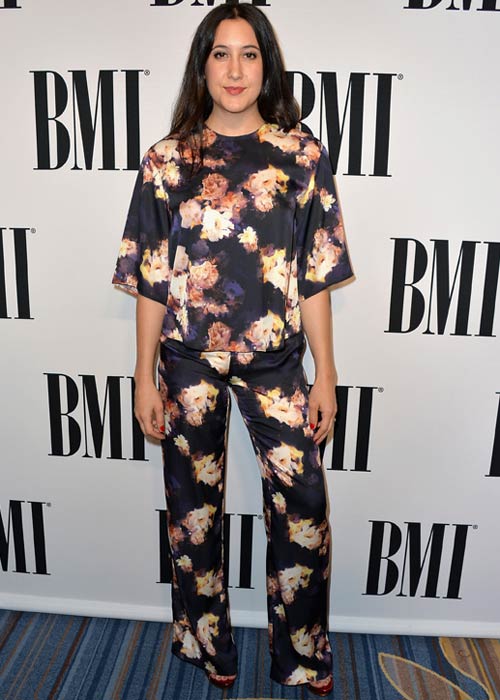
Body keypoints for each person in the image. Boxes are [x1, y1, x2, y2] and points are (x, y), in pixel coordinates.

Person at [112, 2, 353, 695]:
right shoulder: (166, 160)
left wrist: (326, 371)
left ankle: (302, 652)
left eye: (249, 54)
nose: (235, 69)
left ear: (267, 65)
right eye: (221, 53)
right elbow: (153, 279)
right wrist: (142, 376)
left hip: (277, 362)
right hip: (186, 361)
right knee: (193, 511)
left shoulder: (301, 155)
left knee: (304, 504)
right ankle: (204, 642)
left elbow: (315, 275)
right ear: (202, 64)